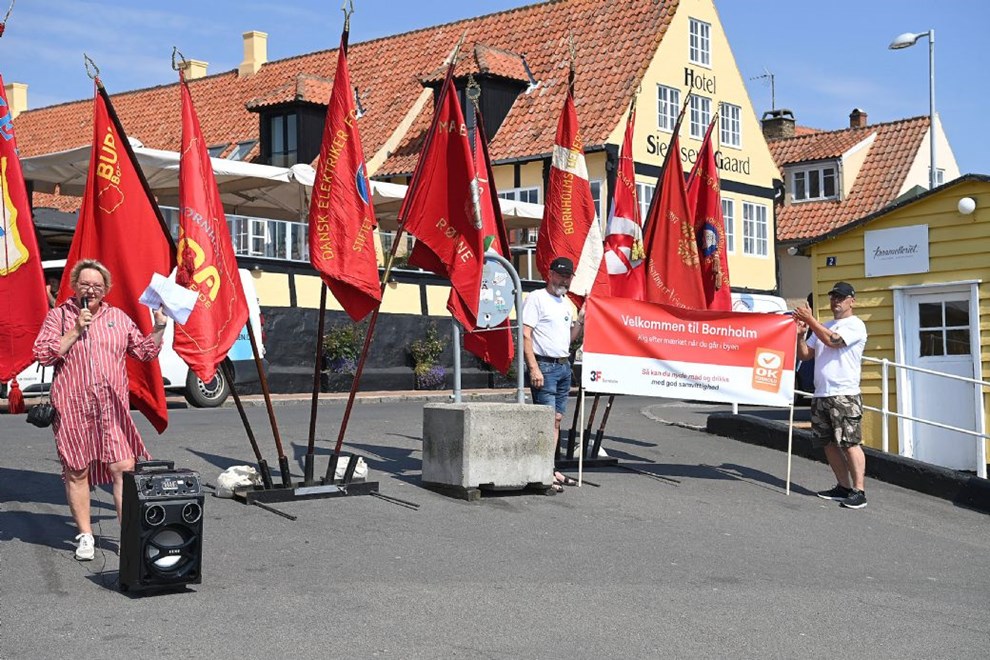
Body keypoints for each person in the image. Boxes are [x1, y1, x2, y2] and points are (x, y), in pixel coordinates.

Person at [33, 259, 169, 560]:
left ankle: (129, 533)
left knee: (123, 467)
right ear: (74, 286)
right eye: (85, 285)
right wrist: (75, 330)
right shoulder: (58, 316)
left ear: (106, 289)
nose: (90, 290)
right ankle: (85, 537)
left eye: (97, 285)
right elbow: (43, 354)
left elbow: (144, 352)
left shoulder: (118, 318)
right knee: (77, 471)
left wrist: (159, 326)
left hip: (112, 407)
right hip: (73, 407)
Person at [793, 282, 869, 509]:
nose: (836, 301)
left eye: (841, 297)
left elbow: (833, 341)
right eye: (833, 297)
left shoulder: (855, 325)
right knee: (827, 443)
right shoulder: (824, 325)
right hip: (821, 393)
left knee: (849, 442)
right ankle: (843, 486)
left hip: (844, 394)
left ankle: (859, 491)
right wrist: (800, 335)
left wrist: (810, 321)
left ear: (851, 301)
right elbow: (805, 355)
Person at [522, 256, 585, 492]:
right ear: (550, 274)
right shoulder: (537, 299)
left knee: (557, 420)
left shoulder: (566, 303)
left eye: (568, 276)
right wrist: (534, 367)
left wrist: (579, 321)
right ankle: (542, 473)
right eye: (560, 275)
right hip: (545, 366)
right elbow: (526, 335)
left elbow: (568, 339)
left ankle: (550, 468)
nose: (564, 280)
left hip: (562, 366)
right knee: (547, 421)